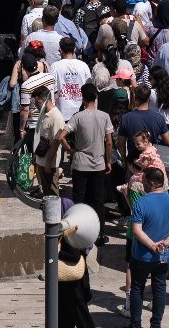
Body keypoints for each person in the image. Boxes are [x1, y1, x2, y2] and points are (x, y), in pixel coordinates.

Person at [128, 167, 169, 328]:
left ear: (151, 183)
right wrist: (166, 242)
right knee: (159, 288)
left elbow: (137, 230)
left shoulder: (141, 202)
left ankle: (135, 324)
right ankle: (156, 325)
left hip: (142, 255)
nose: (142, 184)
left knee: (137, 288)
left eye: (144, 181)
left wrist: (152, 245)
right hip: (164, 255)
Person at [66, 83, 113, 242]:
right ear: (96, 97)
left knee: (79, 199)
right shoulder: (104, 116)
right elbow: (108, 142)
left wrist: (70, 149)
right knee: (98, 200)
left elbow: (61, 136)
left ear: (83, 98)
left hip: (80, 164)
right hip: (98, 164)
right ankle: (99, 234)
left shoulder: (77, 117)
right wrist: (109, 160)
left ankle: (78, 232)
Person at [33, 82, 68, 197]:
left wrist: (48, 163)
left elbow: (56, 142)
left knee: (52, 192)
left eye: (37, 102)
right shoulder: (43, 113)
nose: (35, 104)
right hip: (41, 158)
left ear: (45, 100)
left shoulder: (56, 116)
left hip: (50, 162)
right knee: (46, 192)